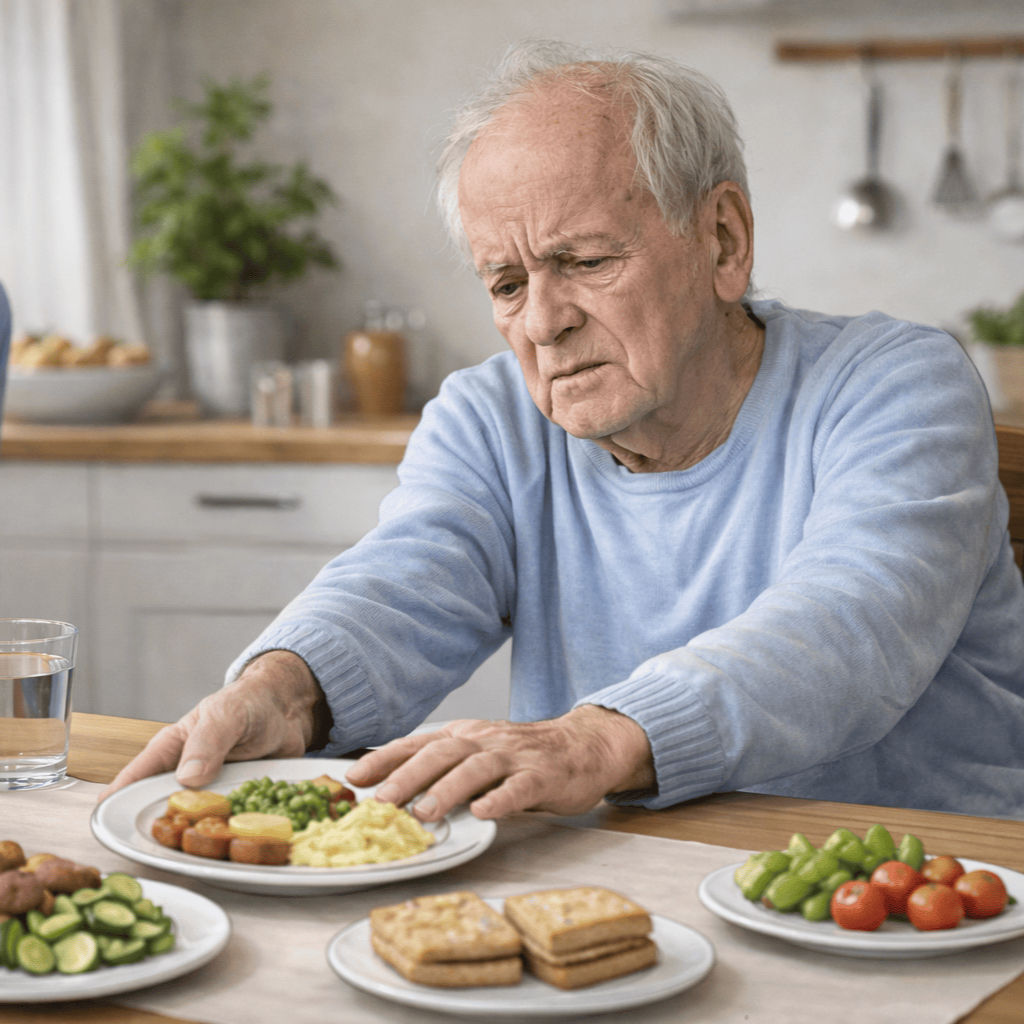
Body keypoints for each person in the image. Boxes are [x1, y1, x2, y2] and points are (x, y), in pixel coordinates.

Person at [102, 40, 1024, 821]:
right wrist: (282, 688)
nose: (542, 323)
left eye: (582, 262)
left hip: (928, 904)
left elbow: (851, 627)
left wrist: (594, 740)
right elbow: (405, 583)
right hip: (630, 890)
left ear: (724, 240)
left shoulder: (899, 382)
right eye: (506, 284)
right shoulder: (490, 416)